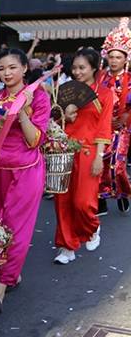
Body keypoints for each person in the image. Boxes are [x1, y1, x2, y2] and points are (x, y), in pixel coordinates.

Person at [0, 49, 51, 313]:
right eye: (1, 68)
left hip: (26, 170)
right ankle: (12, 273)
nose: (6, 73)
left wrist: (21, 112)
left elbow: (35, 140)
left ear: (23, 69)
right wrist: (1, 122)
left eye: (12, 67)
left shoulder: (39, 98)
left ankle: (0, 287)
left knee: (16, 230)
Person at [53, 48, 112, 265]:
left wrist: (99, 157)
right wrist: (64, 116)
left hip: (89, 151)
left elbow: (104, 127)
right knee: (62, 201)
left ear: (94, 68)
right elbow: (53, 122)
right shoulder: (64, 91)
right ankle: (66, 246)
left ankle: (92, 227)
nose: (77, 72)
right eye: (75, 68)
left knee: (83, 202)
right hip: (64, 148)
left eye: (82, 68)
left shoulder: (105, 94)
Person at [98, 18, 131, 214]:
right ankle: (102, 197)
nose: (114, 60)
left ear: (125, 59)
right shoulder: (100, 78)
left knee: (117, 164)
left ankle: (123, 192)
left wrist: (125, 118)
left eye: (119, 57)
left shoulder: (129, 79)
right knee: (101, 162)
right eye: (112, 56)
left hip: (123, 127)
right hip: (102, 126)